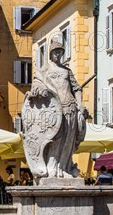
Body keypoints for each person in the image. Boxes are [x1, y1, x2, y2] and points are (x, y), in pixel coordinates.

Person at [22, 38, 89, 180]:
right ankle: (52, 169)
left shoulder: (67, 71)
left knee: (68, 141)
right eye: (55, 52)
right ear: (50, 54)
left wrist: (80, 104)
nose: (58, 55)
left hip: (70, 108)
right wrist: (39, 90)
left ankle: (65, 168)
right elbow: (36, 84)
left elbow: (76, 88)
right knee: (54, 139)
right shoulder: (44, 70)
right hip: (53, 111)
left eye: (60, 52)